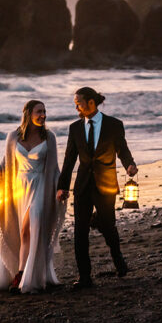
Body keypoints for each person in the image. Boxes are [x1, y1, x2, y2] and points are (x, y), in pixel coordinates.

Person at [0, 100, 66, 293]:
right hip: (19, 188)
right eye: (39, 112)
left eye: (44, 111)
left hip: (41, 186)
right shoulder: (13, 136)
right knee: (23, 232)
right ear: (28, 114)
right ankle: (21, 274)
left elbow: (54, 169)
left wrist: (61, 188)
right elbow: (6, 165)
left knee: (33, 226)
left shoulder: (49, 137)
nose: (43, 115)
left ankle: (24, 275)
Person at [56, 87, 138, 288]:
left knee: (109, 226)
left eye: (79, 102)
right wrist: (62, 187)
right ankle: (85, 277)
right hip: (82, 186)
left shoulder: (113, 125)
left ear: (91, 102)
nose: (76, 106)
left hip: (106, 185)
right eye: (75, 102)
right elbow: (69, 160)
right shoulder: (74, 128)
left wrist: (129, 164)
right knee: (80, 232)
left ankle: (118, 259)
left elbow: (122, 149)